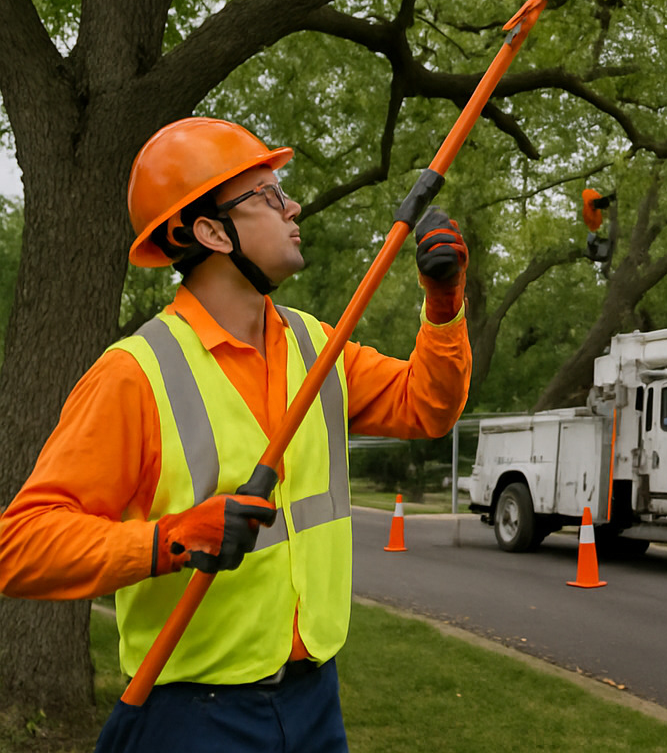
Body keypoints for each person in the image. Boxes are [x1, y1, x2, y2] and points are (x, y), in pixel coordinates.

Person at [0, 117, 474, 752]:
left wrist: (443, 303)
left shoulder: (316, 344)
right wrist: (170, 539)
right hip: (194, 717)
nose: (293, 205)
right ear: (210, 230)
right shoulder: (134, 375)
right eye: (270, 194)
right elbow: (22, 546)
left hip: (315, 700)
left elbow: (428, 407)